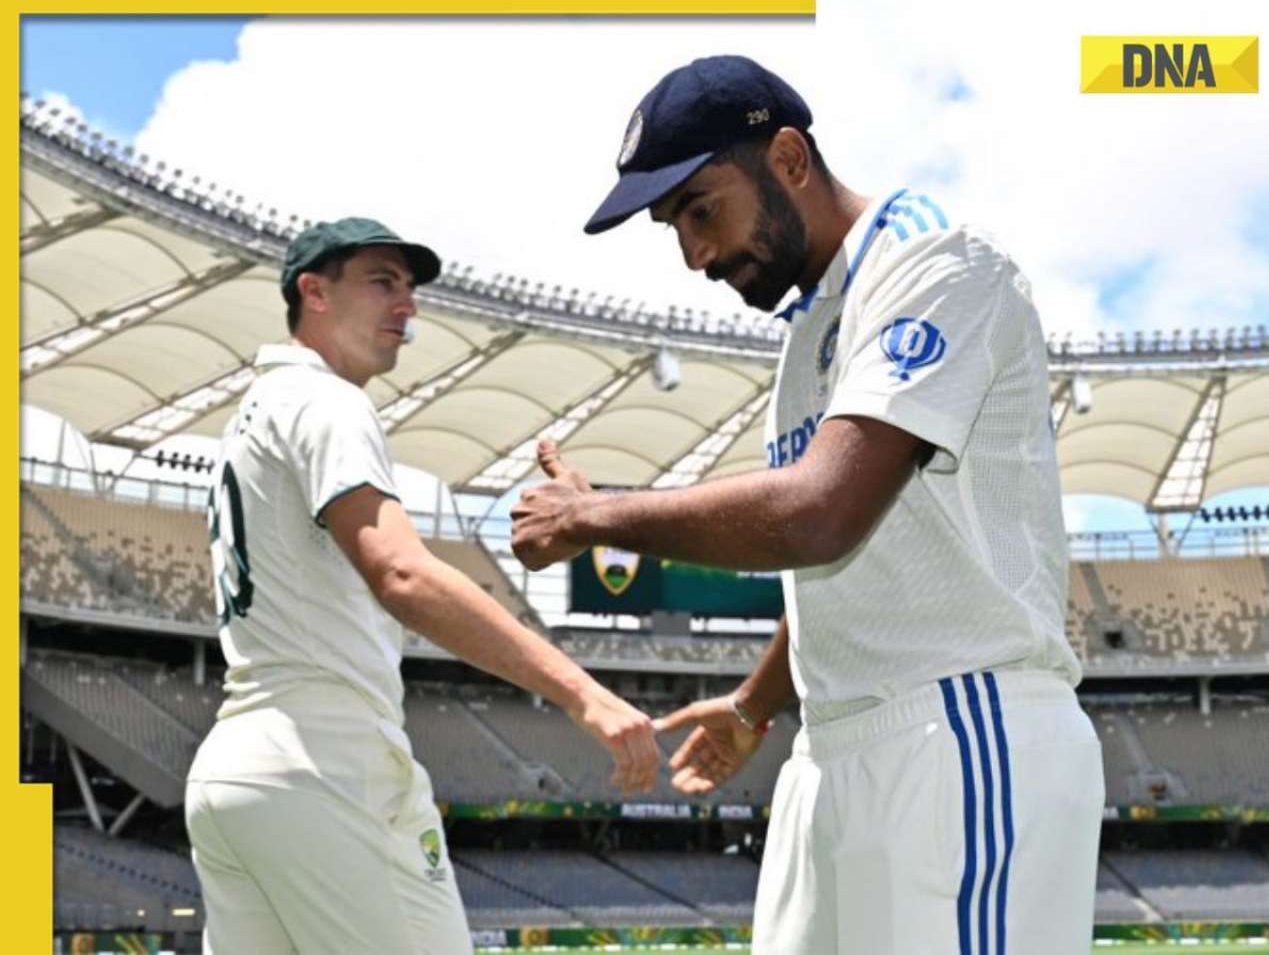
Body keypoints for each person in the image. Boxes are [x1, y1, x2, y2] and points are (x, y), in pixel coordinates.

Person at [511, 56, 1104, 955]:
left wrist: (593, 518)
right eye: (675, 228)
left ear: (788, 158)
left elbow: (820, 513)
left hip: (959, 731)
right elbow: (839, 564)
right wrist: (754, 705)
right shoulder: (812, 326)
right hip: (830, 749)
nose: (695, 255)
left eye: (702, 210)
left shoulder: (937, 263)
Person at [186, 217, 659, 955]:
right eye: (382, 281)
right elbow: (401, 571)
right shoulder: (327, 400)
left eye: (410, 288)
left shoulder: (254, 412)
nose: (406, 304)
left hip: (236, 772)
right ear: (313, 290)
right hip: (327, 761)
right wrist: (585, 693)